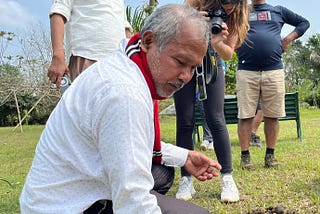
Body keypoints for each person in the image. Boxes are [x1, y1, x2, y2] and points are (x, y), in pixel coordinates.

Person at [20, 4, 222, 214]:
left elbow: (130, 138)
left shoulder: (127, 62)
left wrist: (185, 157)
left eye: (193, 68)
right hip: (66, 207)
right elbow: (133, 204)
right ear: (148, 41)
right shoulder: (123, 93)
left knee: (161, 172)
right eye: (180, 62)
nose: (186, 76)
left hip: (65, 193)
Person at [174, 0, 249, 202]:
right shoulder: (199, 1)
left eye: (234, 1)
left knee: (216, 119)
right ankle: (186, 179)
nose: (228, 6)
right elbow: (175, 19)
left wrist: (217, 42)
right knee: (185, 121)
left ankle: (227, 177)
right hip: (185, 58)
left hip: (213, 62)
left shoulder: (239, 15)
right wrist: (193, 18)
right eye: (224, 1)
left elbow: (229, 53)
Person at [236, 0, 310, 169]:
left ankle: (270, 155)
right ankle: (245, 157)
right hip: (246, 70)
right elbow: (225, 28)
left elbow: (304, 23)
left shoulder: (278, 11)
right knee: (245, 115)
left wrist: (288, 39)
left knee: (272, 115)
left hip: (273, 70)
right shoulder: (241, 11)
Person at [47, 0, 130, 87]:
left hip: (119, 63)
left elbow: (125, 27)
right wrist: (58, 55)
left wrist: (132, 60)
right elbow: (58, 11)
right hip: (87, 56)